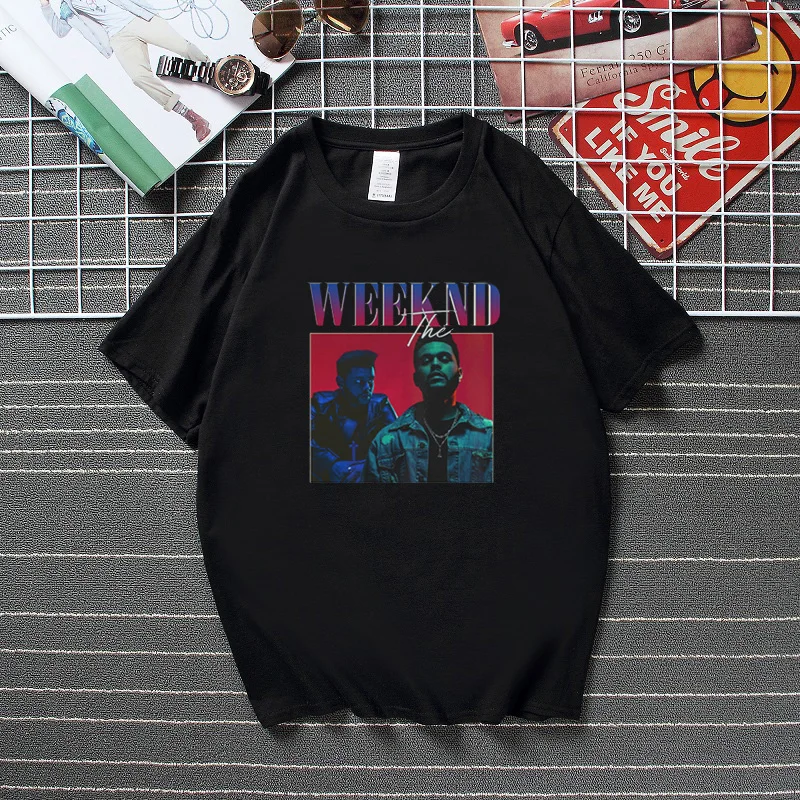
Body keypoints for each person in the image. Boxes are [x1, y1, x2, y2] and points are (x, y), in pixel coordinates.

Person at [38, 0, 212, 141]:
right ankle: (192, 117)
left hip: (138, 17)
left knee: (183, 47)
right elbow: (60, 30)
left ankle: (216, 74)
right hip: (119, 36)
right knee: (139, 77)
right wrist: (45, 5)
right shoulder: (67, 7)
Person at [364, 334, 493, 483]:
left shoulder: (489, 437)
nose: (435, 364)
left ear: (459, 373)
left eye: (444, 358)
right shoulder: (387, 442)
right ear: (416, 379)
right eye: (426, 361)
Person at [310, 349, 397, 483]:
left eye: (371, 380)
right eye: (359, 381)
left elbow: (396, 442)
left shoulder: (380, 405)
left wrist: (367, 465)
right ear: (341, 382)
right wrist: (333, 465)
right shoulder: (320, 404)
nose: (367, 387)